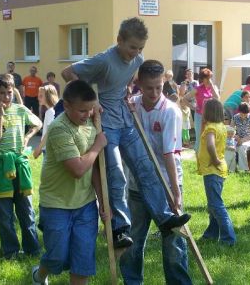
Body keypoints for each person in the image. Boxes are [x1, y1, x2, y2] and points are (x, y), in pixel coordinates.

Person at [61, 17, 190, 248]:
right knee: (117, 174)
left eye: (140, 48)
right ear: (119, 40)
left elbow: (127, 80)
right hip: (106, 124)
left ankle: (165, 217)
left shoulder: (137, 60)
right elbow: (67, 72)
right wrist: (91, 100)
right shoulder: (103, 60)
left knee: (145, 166)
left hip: (125, 120)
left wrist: (128, 92)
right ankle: (120, 228)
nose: (136, 52)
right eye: (132, 47)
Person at [120, 60, 192, 285]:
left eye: (159, 87)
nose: (153, 92)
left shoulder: (170, 112)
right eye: (148, 87)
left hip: (166, 184)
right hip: (137, 185)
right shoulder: (132, 106)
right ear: (139, 84)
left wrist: (175, 192)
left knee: (173, 244)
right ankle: (132, 282)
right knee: (133, 242)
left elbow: (169, 153)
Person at [31, 80, 108, 285]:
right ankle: (40, 274)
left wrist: (101, 203)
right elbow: (78, 169)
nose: (87, 114)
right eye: (82, 110)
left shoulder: (92, 124)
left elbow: (93, 170)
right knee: (57, 257)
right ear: (66, 106)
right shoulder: (59, 129)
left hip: (85, 205)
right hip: (56, 204)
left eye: (91, 109)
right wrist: (97, 146)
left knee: (82, 260)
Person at [0, 74, 42, 259]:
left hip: (19, 164)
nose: (7, 98)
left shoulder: (20, 109)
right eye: (2, 94)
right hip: (0, 167)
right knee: (5, 215)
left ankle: (32, 249)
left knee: (26, 211)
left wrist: (27, 136)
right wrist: (0, 116)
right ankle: (11, 252)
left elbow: (38, 123)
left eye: (9, 93)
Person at [198, 98, 236, 246]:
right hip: (219, 169)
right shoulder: (221, 126)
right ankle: (211, 234)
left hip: (213, 169)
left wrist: (213, 159)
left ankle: (228, 239)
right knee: (213, 204)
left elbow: (210, 145)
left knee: (216, 205)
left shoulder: (211, 129)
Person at [184, 68, 220, 152]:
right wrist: (193, 107)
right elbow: (185, 99)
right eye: (207, 78)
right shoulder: (198, 88)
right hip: (200, 116)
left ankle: (209, 157)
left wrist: (211, 86)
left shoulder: (213, 87)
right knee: (200, 137)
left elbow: (217, 99)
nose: (209, 80)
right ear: (202, 79)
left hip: (212, 117)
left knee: (211, 137)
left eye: (210, 77)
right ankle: (198, 158)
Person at [33, 85, 59, 159]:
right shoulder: (53, 110)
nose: (38, 98)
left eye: (41, 96)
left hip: (49, 150)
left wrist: (39, 149)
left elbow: (49, 132)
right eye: (38, 96)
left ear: (49, 96)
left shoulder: (50, 112)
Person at [231, 102, 250, 172]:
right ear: (239, 111)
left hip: (249, 140)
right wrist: (236, 137)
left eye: (245, 114)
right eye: (241, 113)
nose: (243, 116)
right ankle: (232, 168)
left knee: (241, 148)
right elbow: (231, 131)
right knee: (229, 147)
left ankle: (244, 169)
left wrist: (243, 140)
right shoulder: (235, 117)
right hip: (237, 138)